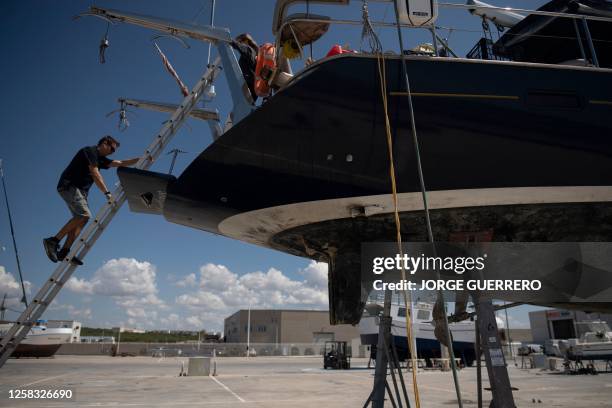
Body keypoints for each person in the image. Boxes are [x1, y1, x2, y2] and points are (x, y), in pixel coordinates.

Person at [43, 136, 140, 265]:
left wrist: (141, 159)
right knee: (84, 214)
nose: (112, 152)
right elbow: (95, 173)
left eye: (113, 151)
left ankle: (65, 252)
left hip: (80, 192)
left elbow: (120, 163)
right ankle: (53, 241)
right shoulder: (90, 151)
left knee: (82, 220)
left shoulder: (100, 159)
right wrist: (107, 192)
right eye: (111, 149)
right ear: (104, 143)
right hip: (70, 186)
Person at [231, 33, 259, 102]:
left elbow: (239, 46)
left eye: (240, 41)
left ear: (246, 41)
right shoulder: (253, 52)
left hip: (250, 85)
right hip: (251, 86)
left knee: (243, 106)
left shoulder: (249, 50)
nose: (240, 43)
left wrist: (229, 40)